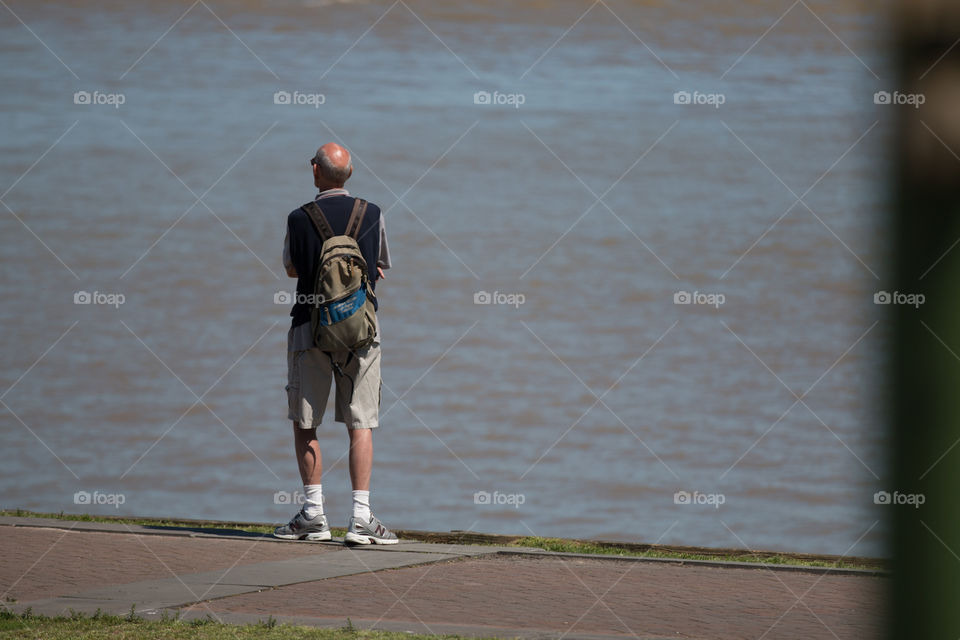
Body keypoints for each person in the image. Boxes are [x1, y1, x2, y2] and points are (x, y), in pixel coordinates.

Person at [274, 142, 397, 545]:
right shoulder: (373, 213)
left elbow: (292, 268)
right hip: (361, 330)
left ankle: (313, 515)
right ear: (350, 173)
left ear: (315, 170)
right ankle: (361, 519)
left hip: (309, 327)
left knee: (306, 422)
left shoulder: (298, 217)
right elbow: (379, 266)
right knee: (361, 423)